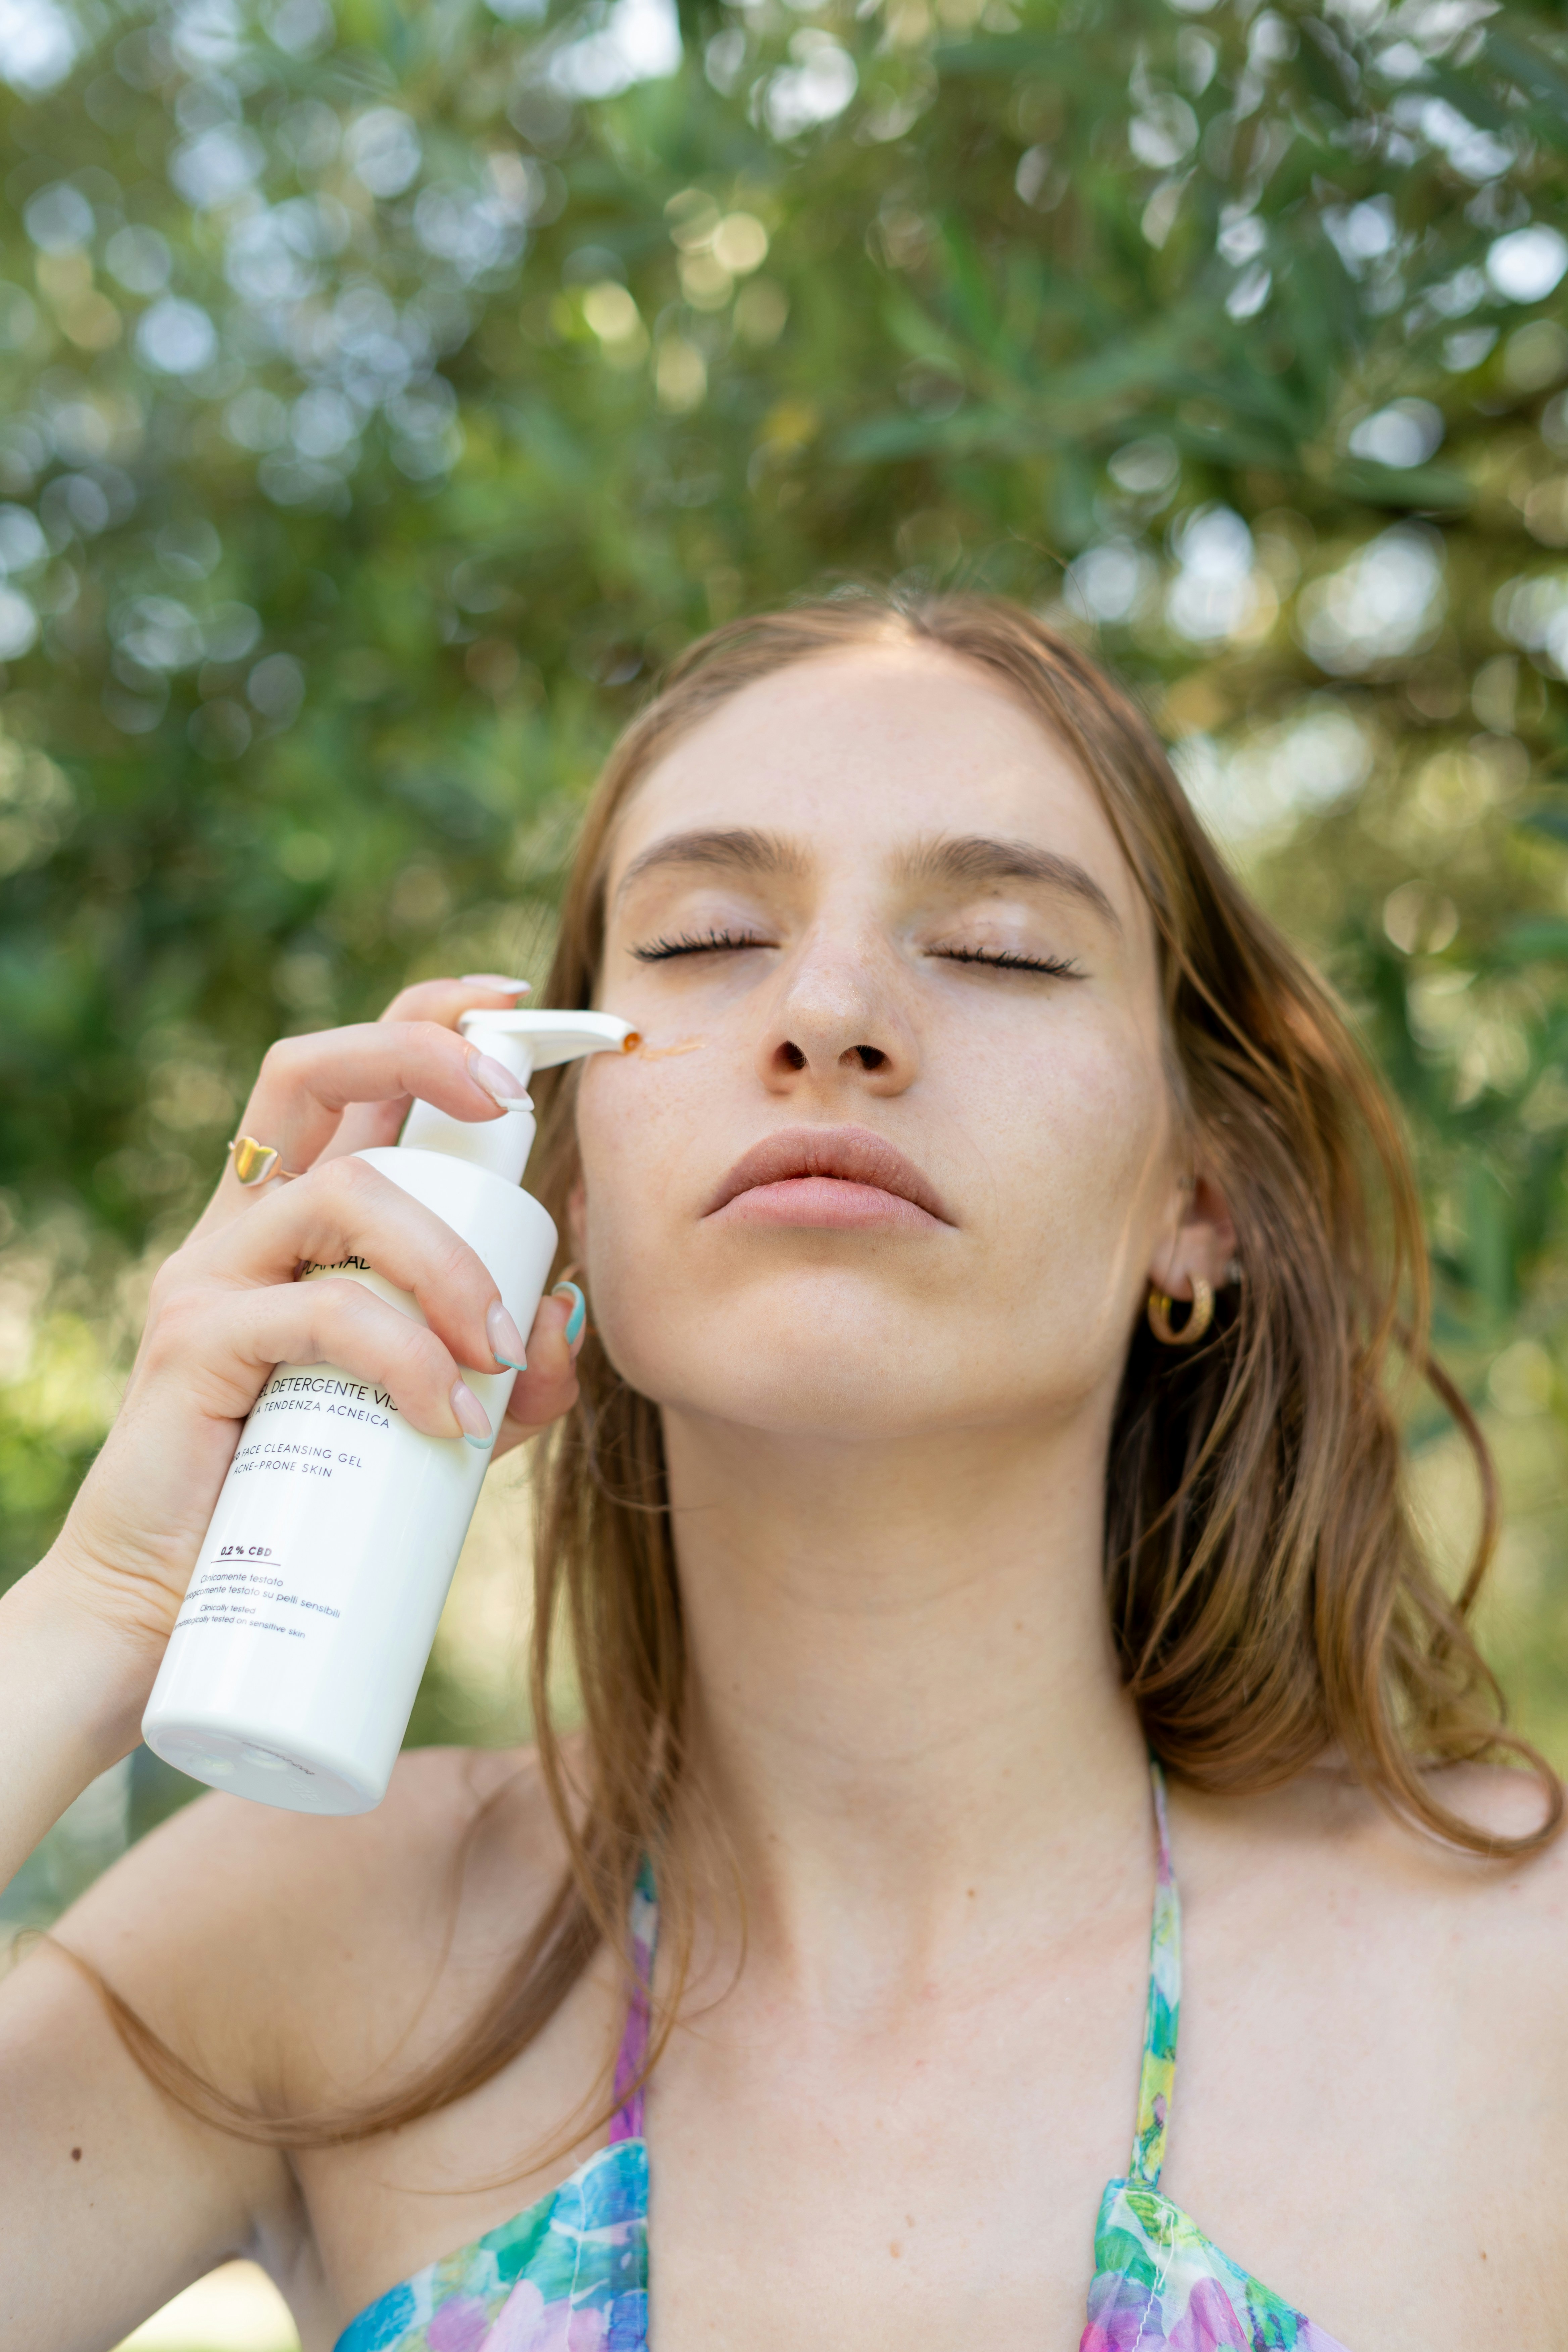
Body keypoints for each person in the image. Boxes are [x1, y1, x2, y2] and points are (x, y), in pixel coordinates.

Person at [1, 592, 1563, 2352]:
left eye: (996, 948)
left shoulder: (1531, 1980)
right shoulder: (300, 1934)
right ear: (567, 1174)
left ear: (1195, 1202)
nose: (830, 1012)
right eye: (707, 938)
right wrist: (88, 1623)